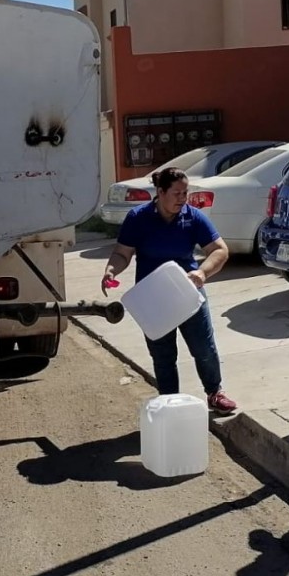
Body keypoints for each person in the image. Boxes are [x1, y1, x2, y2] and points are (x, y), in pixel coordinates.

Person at [101, 167, 237, 415]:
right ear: (160, 192)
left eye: (185, 192)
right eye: (176, 193)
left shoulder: (192, 217)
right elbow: (122, 253)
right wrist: (111, 271)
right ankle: (170, 404)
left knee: (203, 348)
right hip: (153, 298)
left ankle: (215, 393)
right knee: (163, 356)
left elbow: (219, 250)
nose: (182, 198)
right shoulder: (138, 218)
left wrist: (202, 273)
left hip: (187, 292)